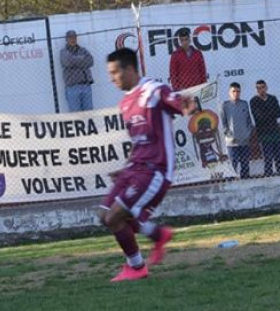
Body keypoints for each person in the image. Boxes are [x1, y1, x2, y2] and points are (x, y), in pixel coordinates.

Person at [101, 48, 186, 282]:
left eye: (115, 72)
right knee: (105, 215)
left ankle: (137, 267)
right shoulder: (125, 103)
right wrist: (126, 167)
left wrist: (186, 104)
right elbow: (139, 141)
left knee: (114, 218)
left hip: (155, 169)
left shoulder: (155, 91)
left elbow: (179, 103)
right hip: (134, 168)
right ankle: (158, 235)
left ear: (129, 69)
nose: (112, 78)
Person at [249, 80, 280, 176]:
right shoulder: (253, 101)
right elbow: (258, 117)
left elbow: (278, 113)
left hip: (275, 131)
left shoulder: (273, 98)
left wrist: (265, 113)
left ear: (266, 87)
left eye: (262, 87)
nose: (261, 90)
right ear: (256, 89)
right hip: (263, 133)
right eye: (258, 88)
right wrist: (270, 112)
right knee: (268, 156)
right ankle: (268, 174)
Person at [221, 82, 253, 179]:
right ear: (229, 92)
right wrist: (229, 136)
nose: (236, 93)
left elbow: (248, 120)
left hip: (244, 140)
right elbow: (223, 123)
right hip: (231, 142)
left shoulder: (244, 104)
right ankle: (230, 183)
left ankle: (246, 181)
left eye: (238, 91)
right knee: (232, 164)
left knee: (245, 163)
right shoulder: (225, 105)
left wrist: (247, 133)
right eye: (233, 91)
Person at [60, 30, 95, 112]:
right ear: (66, 39)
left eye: (74, 37)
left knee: (89, 113)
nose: (73, 39)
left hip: (86, 86)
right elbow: (66, 62)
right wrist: (82, 59)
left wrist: (73, 60)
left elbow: (90, 61)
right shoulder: (63, 52)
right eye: (70, 37)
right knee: (76, 115)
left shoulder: (83, 50)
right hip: (73, 87)